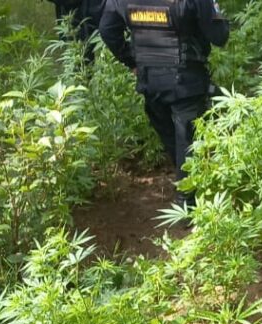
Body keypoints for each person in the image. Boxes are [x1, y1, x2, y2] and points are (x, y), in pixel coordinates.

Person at [98, 0, 229, 208]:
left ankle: (189, 186)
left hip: (151, 82)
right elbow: (219, 36)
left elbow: (107, 29)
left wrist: (131, 60)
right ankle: (186, 201)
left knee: (177, 141)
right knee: (186, 141)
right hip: (186, 80)